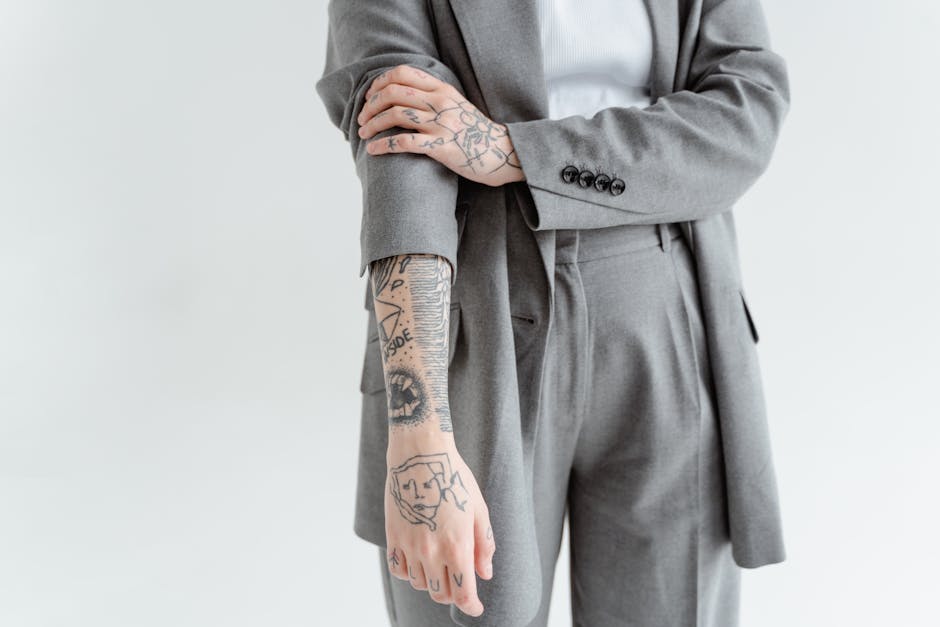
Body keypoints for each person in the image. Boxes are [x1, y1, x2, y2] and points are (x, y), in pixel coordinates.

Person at [315, 0, 790, 625]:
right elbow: (401, 141)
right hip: (472, 307)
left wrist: (518, 152)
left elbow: (745, 110)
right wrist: (420, 435)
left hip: (666, 296)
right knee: (471, 602)